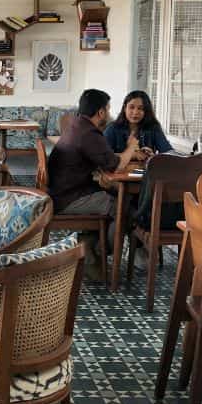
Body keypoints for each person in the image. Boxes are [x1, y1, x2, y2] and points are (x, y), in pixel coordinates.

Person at [48, 89, 140, 274]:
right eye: (108, 109)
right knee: (123, 207)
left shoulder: (77, 126)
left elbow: (103, 157)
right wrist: (131, 148)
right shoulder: (89, 134)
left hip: (60, 192)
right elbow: (116, 166)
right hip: (69, 199)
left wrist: (130, 155)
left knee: (114, 194)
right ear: (100, 112)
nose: (109, 113)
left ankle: (89, 246)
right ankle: (98, 252)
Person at [103, 90, 172, 158]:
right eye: (131, 107)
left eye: (140, 108)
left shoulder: (153, 127)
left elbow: (168, 152)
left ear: (146, 111)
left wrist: (153, 157)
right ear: (125, 108)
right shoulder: (113, 128)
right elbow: (103, 155)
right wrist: (132, 155)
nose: (135, 112)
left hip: (145, 168)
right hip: (120, 169)